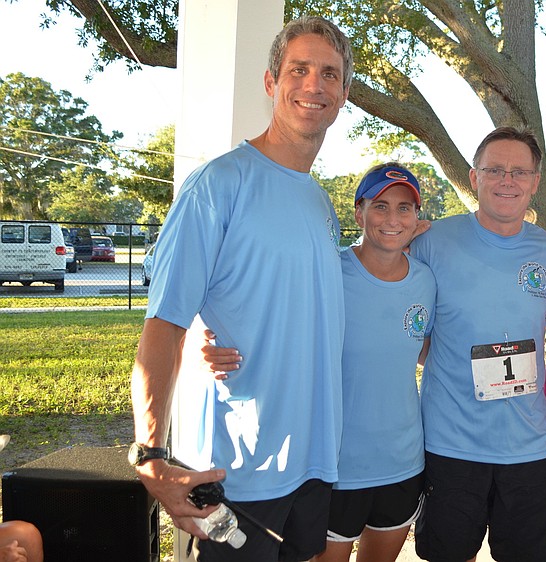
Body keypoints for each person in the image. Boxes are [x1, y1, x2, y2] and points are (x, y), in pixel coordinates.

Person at [130, 16, 352, 562]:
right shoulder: (218, 185)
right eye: (299, 69)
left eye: (329, 74)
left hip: (313, 462)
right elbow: (164, 324)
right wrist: (151, 452)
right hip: (237, 473)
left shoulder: (320, 201)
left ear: (344, 93)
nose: (314, 85)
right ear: (272, 82)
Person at [203, 163, 437, 562]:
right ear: (358, 213)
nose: (392, 219)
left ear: (418, 217)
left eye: (404, 208)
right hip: (335, 464)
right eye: (380, 207)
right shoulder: (327, 271)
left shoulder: (426, 280)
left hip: (403, 461)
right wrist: (205, 339)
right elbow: (268, 317)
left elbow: (424, 352)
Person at [408, 127, 546, 562]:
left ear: (536, 182)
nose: (507, 180)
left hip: (529, 446)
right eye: (494, 169)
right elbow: (404, 327)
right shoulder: (430, 242)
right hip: (451, 444)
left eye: (520, 172)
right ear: (473, 176)